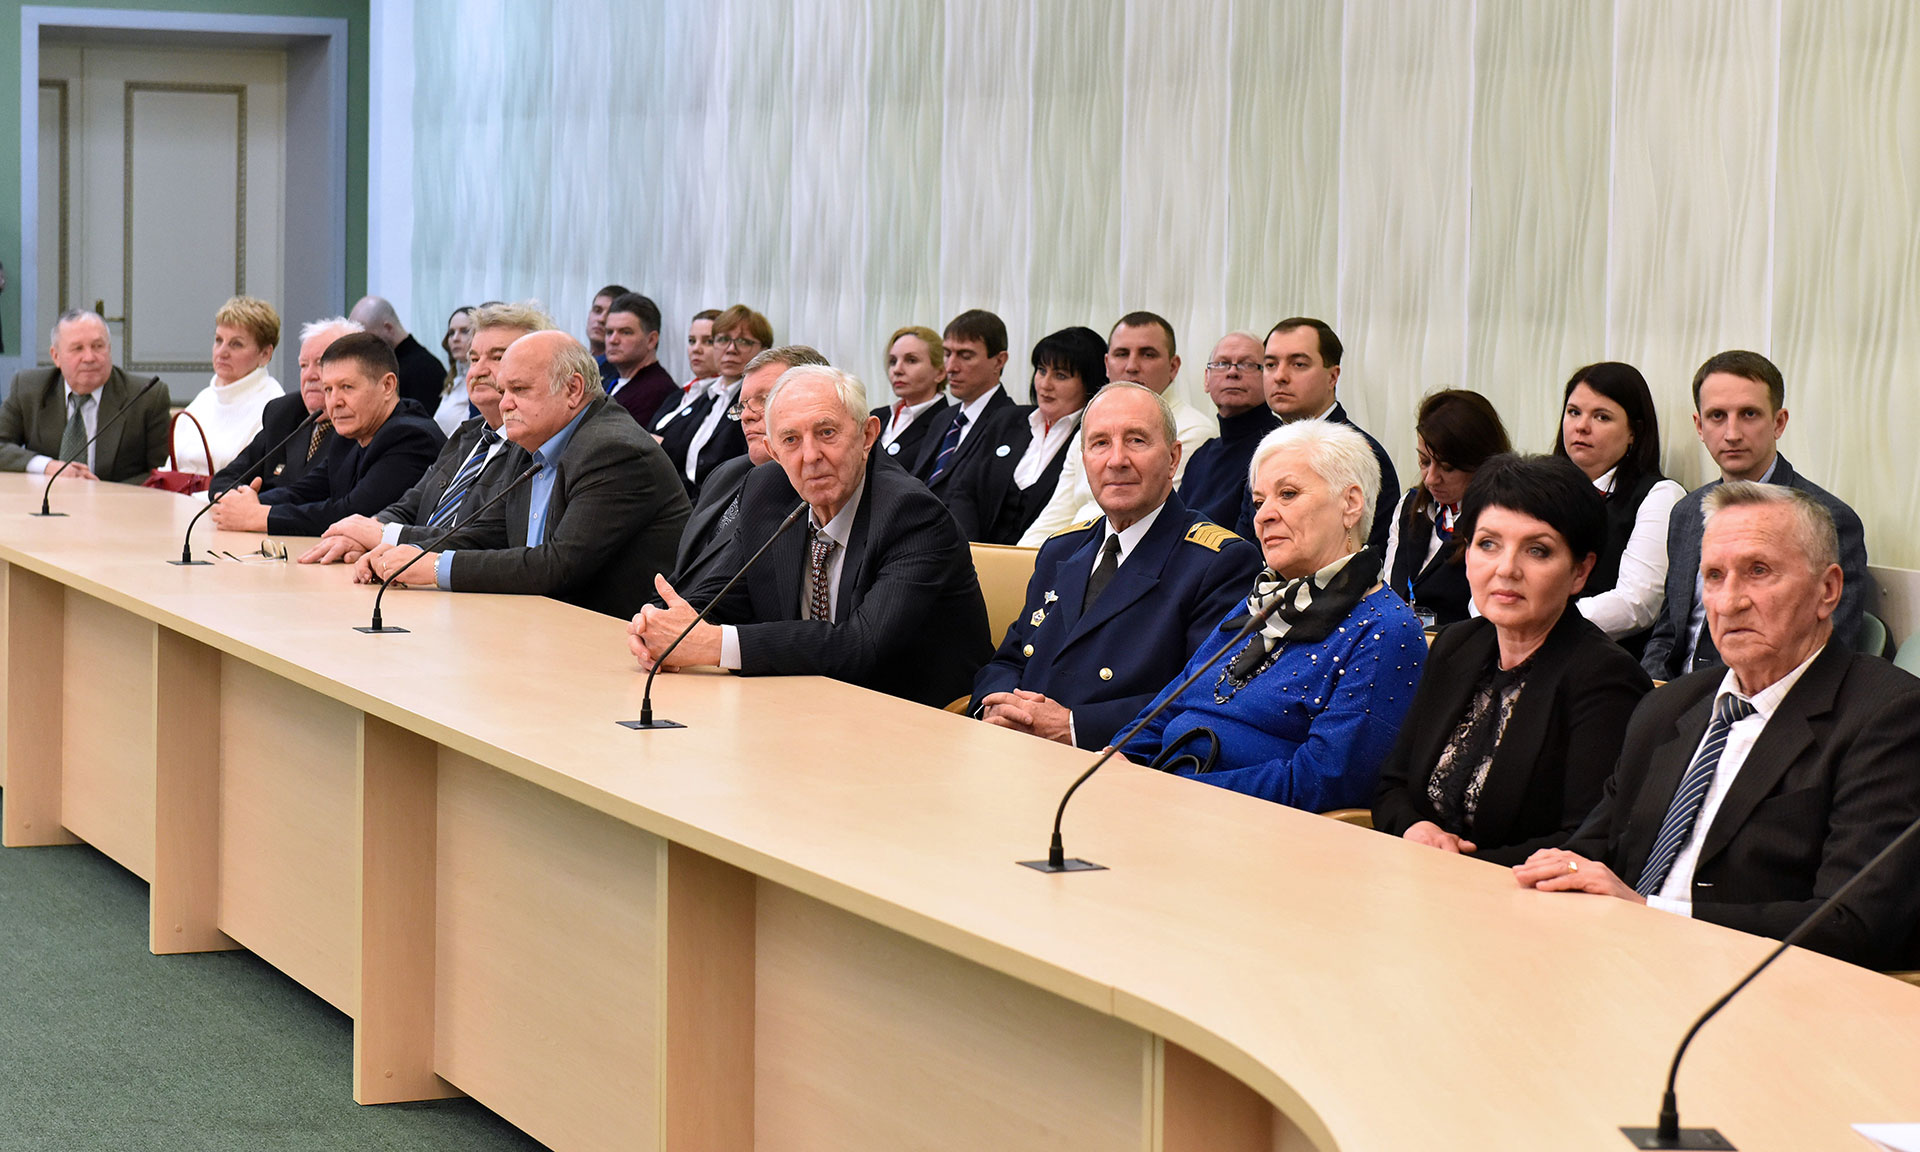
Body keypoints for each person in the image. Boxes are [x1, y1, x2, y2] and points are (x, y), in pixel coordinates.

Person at [1516, 483, 1920, 970]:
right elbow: (1594, 848)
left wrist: (1651, 913)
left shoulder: (1889, 714)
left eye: (1758, 571)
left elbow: (1854, 923)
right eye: (1713, 576)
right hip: (1611, 960)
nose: (1728, 603)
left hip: (1757, 988)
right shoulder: (1669, 705)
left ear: (1828, 590)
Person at [629, 365, 992, 708]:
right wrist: (665, 628)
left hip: (910, 713)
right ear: (773, 452)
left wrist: (714, 644)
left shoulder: (912, 514)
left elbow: (861, 646)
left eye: (827, 433)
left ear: (867, 436)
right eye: (790, 439)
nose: (810, 456)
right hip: (800, 702)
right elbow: (719, 599)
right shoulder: (768, 490)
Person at [1120, 419, 1425, 811]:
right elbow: (1168, 709)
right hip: (1165, 806)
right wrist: (1116, 761)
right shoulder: (1265, 600)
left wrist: (1168, 791)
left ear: (1351, 503)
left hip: (1253, 832)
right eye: (1260, 501)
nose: (1264, 516)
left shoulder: (1386, 630)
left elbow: (1325, 784)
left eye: (1288, 494)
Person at [1371, 454, 1653, 866]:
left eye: (1537, 551)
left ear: (1580, 571)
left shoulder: (1606, 679)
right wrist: (1414, 827)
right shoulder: (1454, 645)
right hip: (1419, 876)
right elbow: (1392, 785)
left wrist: (1462, 867)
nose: (1506, 569)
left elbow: (1588, 840)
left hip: (1520, 894)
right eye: (1488, 544)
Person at [970, 383, 1261, 749]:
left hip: (1114, 764)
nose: (1116, 460)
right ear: (1084, 460)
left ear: (1173, 458)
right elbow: (1008, 661)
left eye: (1136, 440)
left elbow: (1203, 697)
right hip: (1013, 750)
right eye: (1100, 443)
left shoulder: (1219, 563)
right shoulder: (1061, 549)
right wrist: (1000, 709)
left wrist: (1074, 726)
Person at [355, 331, 690, 621]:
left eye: (519, 389)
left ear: (573, 389)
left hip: (612, 637)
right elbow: (488, 533)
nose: (505, 405)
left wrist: (433, 567)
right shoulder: (529, 442)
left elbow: (558, 566)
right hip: (538, 623)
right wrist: (402, 552)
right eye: (503, 391)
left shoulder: (613, 451)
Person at [1642, 350, 1868, 679]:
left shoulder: (1827, 519)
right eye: (1717, 416)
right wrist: (1649, 688)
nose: (1732, 433)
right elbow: (1668, 632)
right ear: (1699, 426)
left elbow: (1828, 651)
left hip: (1759, 694)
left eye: (1749, 414)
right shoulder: (1686, 513)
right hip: (1676, 693)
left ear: (1779, 422)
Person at [298, 302, 547, 565]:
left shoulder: (533, 448)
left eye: (497, 358)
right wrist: (365, 534)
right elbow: (411, 504)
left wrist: (381, 535)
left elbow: (482, 537)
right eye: (474, 359)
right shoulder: (468, 435)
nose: (479, 370)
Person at [210, 332, 445, 535]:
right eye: (328, 389)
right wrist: (245, 503)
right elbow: (306, 491)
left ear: (387, 386)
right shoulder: (351, 432)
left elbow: (354, 513)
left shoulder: (411, 437)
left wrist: (260, 517)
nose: (334, 402)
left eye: (347, 387)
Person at [1018, 312, 1219, 543]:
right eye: (1122, 354)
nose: (1131, 366)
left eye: (1147, 354)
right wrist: (1012, 560)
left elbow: (1141, 518)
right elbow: (1055, 515)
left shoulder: (1194, 430)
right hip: (1075, 550)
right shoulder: (1091, 425)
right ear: (1107, 364)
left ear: (1173, 367)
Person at [668, 344, 830, 593]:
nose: (746, 416)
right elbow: (681, 575)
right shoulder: (725, 474)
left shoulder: (818, 492)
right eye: (743, 405)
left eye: (764, 399)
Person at [1549, 362, 1685, 652]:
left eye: (1602, 416)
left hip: (1603, 656)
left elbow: (1637, 603)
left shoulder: (1659, 495)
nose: (1581, 426)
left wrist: (1540, 619)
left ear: (1634, 431)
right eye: (1573, 412)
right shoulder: (1538, 487)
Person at [1236, 317, 1397, 554]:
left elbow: (1369, 552)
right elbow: (1246, 544)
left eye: (1298, 364)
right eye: (1270, 364)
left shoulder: (1358, 454)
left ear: (1332, 377)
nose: (1280, 376)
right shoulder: (1270, 448)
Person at [944, 326, 1104, 544]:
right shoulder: (1006, 420)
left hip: (1040, 556)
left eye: (1061, 376)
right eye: (1042, 371)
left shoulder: (1091, 439)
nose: (1045, 385)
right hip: (976, 552)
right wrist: (970, 549)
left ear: (1089, 383)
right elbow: (965, 491)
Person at [1381, 390, 1511, 629]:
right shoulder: (1411, 505)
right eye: (1424, 462)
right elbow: (1389, 591)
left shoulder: (1500, 519)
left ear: (1482, 464)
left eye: (1447, 467)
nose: (1431, 478)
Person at [0, 309, 168, 482]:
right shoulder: (29, 388)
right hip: (45, 496)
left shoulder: (146, 396)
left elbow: (163, 473)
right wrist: (48, 466)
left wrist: (105, 492)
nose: (89, 358)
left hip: (116, 498)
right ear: (56, 356)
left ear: (109, 349)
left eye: (98, 346)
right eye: (77, 348)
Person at [212, 317, 357, 494]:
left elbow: (317, 496)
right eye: (303, 365)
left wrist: (254, 505)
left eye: (321, 364)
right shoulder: (284, 412)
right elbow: (226, 479)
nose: (309, 375)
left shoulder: (356, 424)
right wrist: (238, 499)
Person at [657, 303, 767, 497]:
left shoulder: (756, 403)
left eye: (743, 341)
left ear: (763, 350)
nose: (731, 349)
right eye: (723, 340)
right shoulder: (707, 395)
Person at [907, 309, 1018, 498]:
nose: (950, 367)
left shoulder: (1010, 425)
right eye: (947, 354)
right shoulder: (943, 418)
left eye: (965, 356)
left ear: (999, 361)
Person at [1175, 332, 1279, 525]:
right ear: (1206, 379)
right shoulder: (1201, 456)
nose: (1232, 372)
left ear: (1269, 377)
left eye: (1247, 364)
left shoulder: (1277, 447)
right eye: (1222, 364)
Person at [172, 296, 284, 474]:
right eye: (218, 340)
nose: (222, 352)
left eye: (236, 344)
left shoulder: (273, 406)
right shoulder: (204, 399)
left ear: (265, 354)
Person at [348, 294, 446, 409]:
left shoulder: (423, 369)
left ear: (388, 328)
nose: (361, 348)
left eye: (366, 339)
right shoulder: (390, 365)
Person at [872, 325, 949, 466]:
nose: (897, 370)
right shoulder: (877, 417)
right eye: (893, 361)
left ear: (940, 372)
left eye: (911, 360)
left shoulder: (948, 425)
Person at [601, 292, 677, 426]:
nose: (613, 340)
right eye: (609, 332)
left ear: (651, 340)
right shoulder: (609, 379)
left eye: (626, 332)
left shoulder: (657, 391)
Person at [433, 306, 476, 435]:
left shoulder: (480, 382)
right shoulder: (453, 380)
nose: (455, 338)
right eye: (451, 333)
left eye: (464, 331)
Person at [584, 283, 628, 362]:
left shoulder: (621, 368)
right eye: (597, 310)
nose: (601, 319)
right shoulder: (578, 361)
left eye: (610, 314)